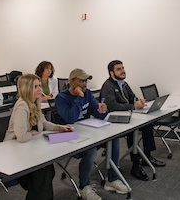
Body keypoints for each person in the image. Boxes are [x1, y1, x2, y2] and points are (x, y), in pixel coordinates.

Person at [55, 68, 130, 200]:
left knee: (113, 140)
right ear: (72, 82)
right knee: (90, 149)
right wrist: (79, 98)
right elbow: (71, 119)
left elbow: (98, 114)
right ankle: (84, 187)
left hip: (86, 132)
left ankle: (111, 180)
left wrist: (103, 110)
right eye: (81, 81)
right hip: (66, 136)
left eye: (86, 81)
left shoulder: (87, 93)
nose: (85, 84)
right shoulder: (62, 98)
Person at [4, 74, 73, 200]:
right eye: (35, 86)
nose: (40, 89)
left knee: (47, 170)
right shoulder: (22, 106)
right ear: (26, 89)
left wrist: (59, 127)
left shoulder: (35, 102)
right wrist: (32, 133)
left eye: (39, 85)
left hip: (30, 148)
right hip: (15, 153)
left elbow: (44, 123)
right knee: (43, 173)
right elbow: (22, 137)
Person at [100, 60, 165, 182]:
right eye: (118, 69)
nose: (123, 71)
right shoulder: (108, 86)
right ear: (111, 73)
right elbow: (113, 106)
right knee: (132, 130)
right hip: (113, 121)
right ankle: (136, 165)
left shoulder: (124, 84)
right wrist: (133, 106)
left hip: (125, 115)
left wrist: (139, 101)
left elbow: (131, 97)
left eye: (123, 68)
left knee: (147, 124)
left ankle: (147, 157)